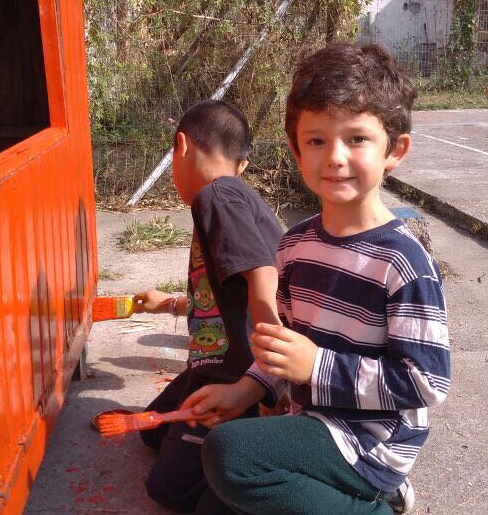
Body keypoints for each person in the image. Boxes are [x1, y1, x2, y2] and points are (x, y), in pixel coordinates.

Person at [181, 42, 451, 515]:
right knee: (210, 502)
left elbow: (426, 382)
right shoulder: (294, 246)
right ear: (296, 150)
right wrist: (244, 390)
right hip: (311, 424)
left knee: (230, 455)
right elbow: (284, 350)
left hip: (370, 441)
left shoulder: (402, 262)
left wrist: (317, 367)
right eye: (317, 140)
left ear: (395, 150)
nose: (335, 157)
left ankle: (375, 503)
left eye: (357, 139)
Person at [133, 99, 285, 513]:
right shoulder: (230, 196)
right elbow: (224, 296)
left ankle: (272, 445)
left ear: (181, 146)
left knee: (170, 488)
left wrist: (270, 375)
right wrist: (170, 304)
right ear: (243, 163)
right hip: (216, 365)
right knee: (152, 431)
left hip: (241, 374)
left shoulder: (217, 194)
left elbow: (262, 274)